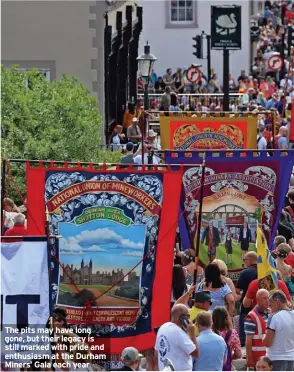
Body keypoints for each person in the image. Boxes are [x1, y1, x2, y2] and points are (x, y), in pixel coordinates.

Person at [154, 304, 199, 371]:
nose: (189, 319)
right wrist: (192, 333)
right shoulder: (179, 333)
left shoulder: (162, 327)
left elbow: (156, 353)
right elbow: (196, 353)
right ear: (181, 317)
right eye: (188, 316)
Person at [263, 290, 294, 371]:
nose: (269, 307)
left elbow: (267, 343)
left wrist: (263, 336)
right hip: (291, 358)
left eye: (271, 304)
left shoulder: (274, 317)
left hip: (276, 359)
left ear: (277, 301)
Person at [236, 251, 258, 346]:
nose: (244, 262)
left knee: (245, 326)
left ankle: (243, 341)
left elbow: (237, 290)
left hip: (247, 303)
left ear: (249, 260)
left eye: (244, 260)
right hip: (261, 303)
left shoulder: (245, 272)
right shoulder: (264, 270)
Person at [244, 289, 270, 369]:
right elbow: (248, 340)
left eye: (268, 298)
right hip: (258, 359)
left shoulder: (270, 312)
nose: (267, 301)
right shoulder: (251, 316)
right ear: (257, 300)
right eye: (264, 298)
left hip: (268, 356)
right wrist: (249, 358)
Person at [212, 306, 242, 370]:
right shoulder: (233, 333)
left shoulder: (209, 332)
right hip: (227, 367)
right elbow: (239, 355)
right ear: (226, 317)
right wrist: (229, 357)